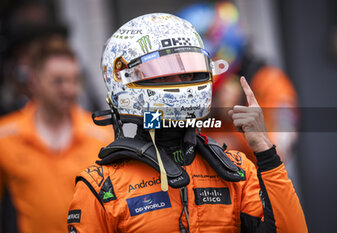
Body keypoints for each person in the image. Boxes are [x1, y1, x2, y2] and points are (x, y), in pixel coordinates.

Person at [67, 13, 307, 233]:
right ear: (125, 77)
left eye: (188, 73)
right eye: (163, 73)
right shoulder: (101, 187)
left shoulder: (236, 171)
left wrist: (265, 151)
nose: (181, 83)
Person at [0, 41, 113, 233]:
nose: (69, 89)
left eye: (75, 80)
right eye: (58, 81)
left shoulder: (102, 134)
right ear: (33, 81)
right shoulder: (5, 135)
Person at [177, 1, 299, 164]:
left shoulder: (270, 82)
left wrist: (238, 115)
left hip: (261, 185)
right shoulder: (197, 94)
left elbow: (281, 147)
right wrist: (209, 111)